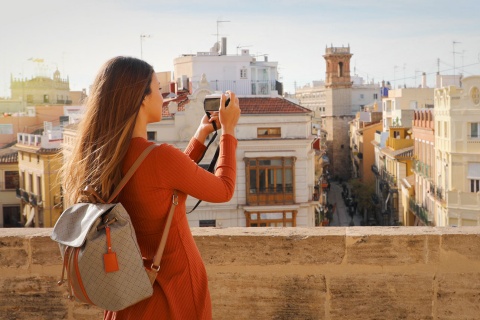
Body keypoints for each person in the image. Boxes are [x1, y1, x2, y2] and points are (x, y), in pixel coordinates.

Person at [62, 56, 241, 319]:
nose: (164, 97)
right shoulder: (159, 158)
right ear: (142, 98)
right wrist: (228, 132)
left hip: (129, 294)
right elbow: (223, 189)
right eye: (158, 89)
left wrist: (200, 136)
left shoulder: (103, 157)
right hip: (174, 291)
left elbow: (160, 183)